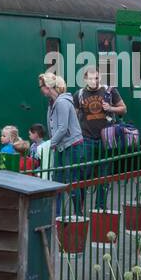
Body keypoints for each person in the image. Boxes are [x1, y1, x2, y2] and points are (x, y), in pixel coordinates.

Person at [75, 67, 126, 210]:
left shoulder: (110, 91)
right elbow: (74, 116)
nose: (94, 81)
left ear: (100, 78)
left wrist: (110, 108)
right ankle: (79, 209)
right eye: (91, 78)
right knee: (83, 175)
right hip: (87, 139)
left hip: (107, 139)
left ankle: (100, 208)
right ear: (85, 79)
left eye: (96, 78)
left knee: (104, 177)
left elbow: (123, 109)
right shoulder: (79, 94)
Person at [39, 72, 84, 214]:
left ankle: (78, 213)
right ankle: (56, 215)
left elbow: (63, 128)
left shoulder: (62, 102)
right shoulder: (52, 103)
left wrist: (50, 143)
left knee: (71, 180)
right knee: (56, 181)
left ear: (48, 87)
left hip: (72, 145)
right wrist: (53, 143)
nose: (40, 89)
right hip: (60, 146)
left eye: (41, 86)